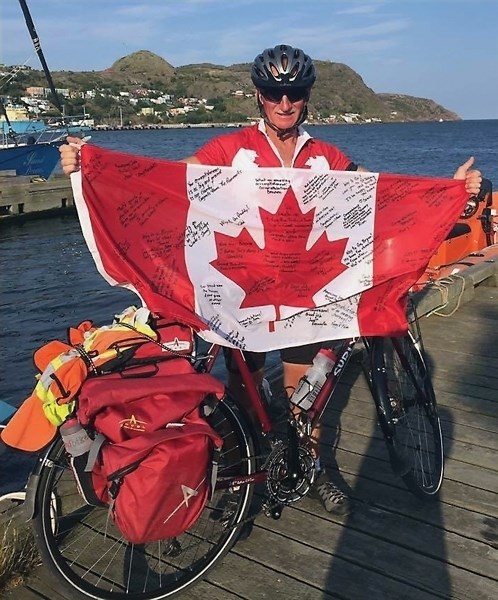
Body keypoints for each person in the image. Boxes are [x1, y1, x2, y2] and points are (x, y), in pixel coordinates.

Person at [59, 44, 482, 515]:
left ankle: (311, 463)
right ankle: (252, 459)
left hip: (310, 297)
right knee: (246, 388)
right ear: (258, 96)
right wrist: (92, 168)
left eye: (295, 93)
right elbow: (166, 184)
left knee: (305, 395)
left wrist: (449, 192)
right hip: (243, 296)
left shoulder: (327, 156)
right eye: (272, 93)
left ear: (306, 96)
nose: (284, 104)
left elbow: (385, 199)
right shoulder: (228, 149)